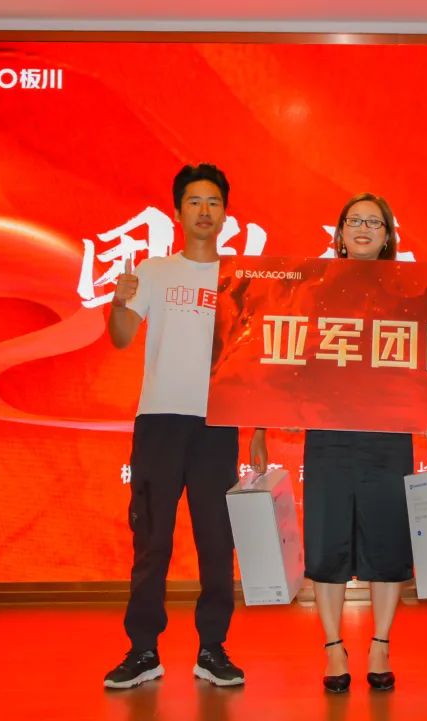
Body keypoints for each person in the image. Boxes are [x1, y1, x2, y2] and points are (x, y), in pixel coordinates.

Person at [103, 163, 268, 690]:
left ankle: (212, 648)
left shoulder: (240, 280)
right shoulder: (154, 271)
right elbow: (122, 337)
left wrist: (259, 429)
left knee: (217, 541)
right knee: (152, 539)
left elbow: (256, 362)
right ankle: (143, 650)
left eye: (213, 202)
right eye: (194, 201)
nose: (204, 211)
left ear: (225, 214)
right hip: (159, 421)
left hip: (217, 425)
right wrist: (118, 300)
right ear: (177, 211)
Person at [303, 193, 414, 693]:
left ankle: (381, 643)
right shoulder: (314, 289)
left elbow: (425, 363)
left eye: (375, 222)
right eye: (355, 221)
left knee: (387, 540)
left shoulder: (408, 291)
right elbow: (290, 357)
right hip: (328, 431)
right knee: (327, 541)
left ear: (388, 235)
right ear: (340, 233)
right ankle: (333, 647)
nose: (364, 228)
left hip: (387, 432)